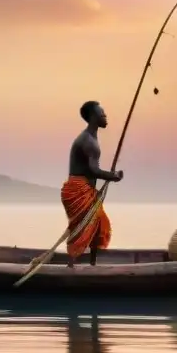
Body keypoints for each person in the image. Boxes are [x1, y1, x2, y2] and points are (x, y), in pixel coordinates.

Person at [63, 100, 124, 267]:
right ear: (92, 117)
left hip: (86, 189)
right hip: (77, 190)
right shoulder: (88, 141)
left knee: (98, 224)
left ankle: (92, 265)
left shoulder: (92, 139)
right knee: (80, 229)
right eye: (102, 113)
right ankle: (70, 267)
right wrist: (113, 176)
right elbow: (92, 171)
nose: (105, 116)